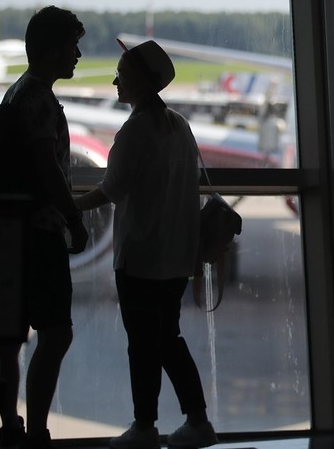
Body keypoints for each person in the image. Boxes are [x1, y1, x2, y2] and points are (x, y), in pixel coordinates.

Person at [75, 40, 217, 449]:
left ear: (140, 80)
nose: (115, 81)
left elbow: (111, 190)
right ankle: (197, 420)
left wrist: (68, 205)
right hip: (175, 257)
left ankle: (144, 428)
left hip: (139, 257)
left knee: (142, 345)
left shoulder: (135, 130)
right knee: (168, 339)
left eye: (121, 74)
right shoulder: (179, 126)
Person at [0, 5, 90, 449]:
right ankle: (35, 432)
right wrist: (74, 218)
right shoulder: (39, 100)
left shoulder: (18, 91)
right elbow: (47, 167)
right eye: (72, 46)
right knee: (55, 333)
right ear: (53, 51)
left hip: (13, 231)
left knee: (11, 336)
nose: (78, 56)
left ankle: (11, 426)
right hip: (40, 232)